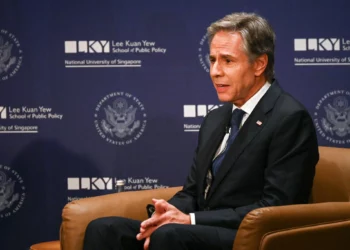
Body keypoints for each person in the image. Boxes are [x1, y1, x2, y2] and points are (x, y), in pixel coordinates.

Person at [83, 12, 319, 250]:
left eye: (227, 61)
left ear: (259, 64)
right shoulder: (215, 119)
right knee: (104, 229)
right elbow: (193, 192)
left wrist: (191, 220)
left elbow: (277, 207)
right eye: (213, 60)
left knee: (170, 236)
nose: (215, 71)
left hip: (249, 238)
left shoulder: (289, 118)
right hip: (197, 229)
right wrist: (165, 214)